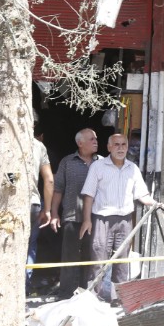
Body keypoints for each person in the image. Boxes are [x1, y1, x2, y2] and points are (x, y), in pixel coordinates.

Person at [79, 134, 164, 302]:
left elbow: (143, 195)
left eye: (123, 145)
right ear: (109, 147)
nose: (120, 148)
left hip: (125, 220)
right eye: (116, 144)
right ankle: (94, 300)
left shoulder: (132, 168)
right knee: (99, 259)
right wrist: (87, 220)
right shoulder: (98, 166)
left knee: (122, 261)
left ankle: (119, 299)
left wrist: (158, 204)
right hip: (102, 219)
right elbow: (88, 195)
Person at [49, 128, 98, 300]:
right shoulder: (67, 162)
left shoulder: (102, 162)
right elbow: (58, 189)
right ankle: (66, 294)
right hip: (72, 216)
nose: (95, 141)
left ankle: (86, 293)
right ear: (80, 143)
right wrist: (54, 213)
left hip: (96, 218)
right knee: (70, 256)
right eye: (91, 139)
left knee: (90, 255)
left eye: (96, 138)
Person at [28, 129, 54, 294]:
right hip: (34, 203)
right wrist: (48, 209)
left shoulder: (7, 140)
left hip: (14, 204)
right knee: (30, 246)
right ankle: (25, 285)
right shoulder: (39, 146)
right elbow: (49, 179)